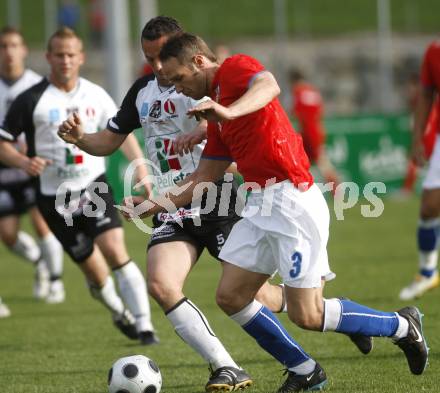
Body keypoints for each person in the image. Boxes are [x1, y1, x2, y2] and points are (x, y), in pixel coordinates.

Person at [117, 33, 428, 392]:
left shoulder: (233, 70)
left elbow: (269, 84)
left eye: (179, 79)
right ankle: (303, 369)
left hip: (292, 201)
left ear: (200, 63)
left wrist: (228, 112)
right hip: (260, 204)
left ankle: (402, 325)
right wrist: (150, 205)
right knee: (231, 296)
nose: (176, 88)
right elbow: (202, 180)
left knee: (307, 314)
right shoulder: (215, 115)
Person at [58, 16, 291, 392]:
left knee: (266, 297)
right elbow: (108, 141)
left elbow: (245, 108)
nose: (158, 67)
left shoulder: (206, 82)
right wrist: (80, 139)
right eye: (149, 59)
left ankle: (331, 314)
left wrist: (208, 124)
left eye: (162, 57)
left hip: (216, 197)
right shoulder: (142, 91)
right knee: (162, 284)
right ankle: (226, 367)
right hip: (171, 202)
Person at [0, 27, 156, 345]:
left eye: (72, 54)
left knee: (115, 249)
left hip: (92, 186)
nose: (66, 60)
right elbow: (2, 143)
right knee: (95, 273)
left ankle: (145, 326)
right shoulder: (30, 100)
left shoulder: (96, 95)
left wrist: (141, 167)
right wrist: (22, 162)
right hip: (54, 198)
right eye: (59, 54)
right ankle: (118, 312)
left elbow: (119, 132)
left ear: (81, 57)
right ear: (48, 57)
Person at [0, 26, 64, 304]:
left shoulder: (36, 85)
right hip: (4, 168)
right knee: (8, 235)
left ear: (24, 50)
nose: (9, 52)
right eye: (3, 46)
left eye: (14, 45)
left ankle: (56, 281)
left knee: (42, 224)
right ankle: (39, 260)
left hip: (34, 166)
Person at [399, 40, 440, 300]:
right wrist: (418, 137)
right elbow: (427, 94)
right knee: (428, 207)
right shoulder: (434, 51)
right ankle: (427, 272)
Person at [289, 69, 340, 191]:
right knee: (313, 162)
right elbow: (320, 111)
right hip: (317, 129)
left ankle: (336, 190)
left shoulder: (298, 91)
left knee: (319, 163)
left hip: (307, 132)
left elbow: (295, 112)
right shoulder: (313, 91)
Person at [401, 72, 438, 195]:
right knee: (416, 159)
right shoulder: (417, 98)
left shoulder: (425, 95)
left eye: (413, 85)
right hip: (422, 123)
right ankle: (408, 189)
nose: (410, 89)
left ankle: (407, 189)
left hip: (428, 125)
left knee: (416, 158)